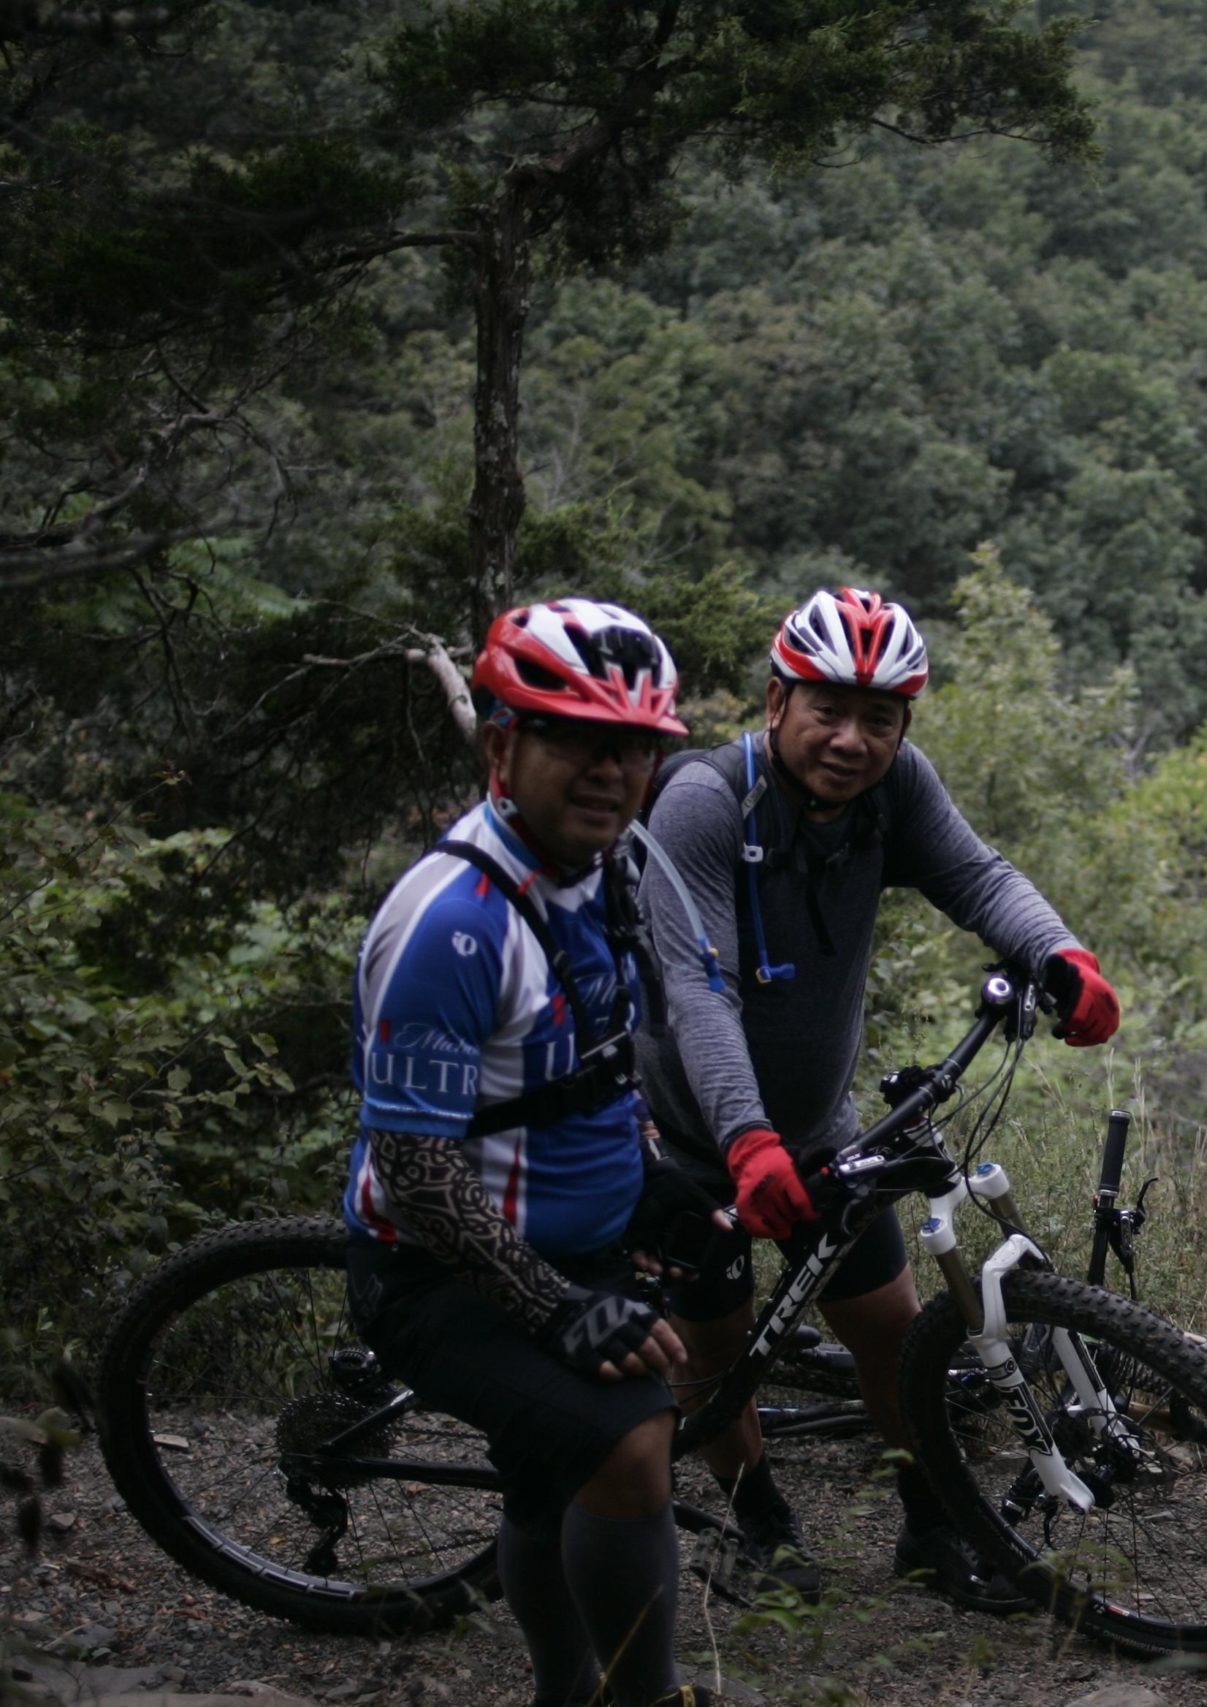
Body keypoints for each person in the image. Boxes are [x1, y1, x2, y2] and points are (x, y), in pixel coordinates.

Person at [637, 585, 1120, 1611]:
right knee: (718, 1356)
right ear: (778, 702)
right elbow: (698, 988)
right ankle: (758, 1518)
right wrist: (741, 1139)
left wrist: (1061, 954)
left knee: (892, 1335)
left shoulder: (897, 793)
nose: (853, 739)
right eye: (829, 709)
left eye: (881, 718)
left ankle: (931, 1527)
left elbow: (979, 879)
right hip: (689, 1141)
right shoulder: (705, 803)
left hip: (816, 1131)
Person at [341, 598, 718, 1707]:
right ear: (503, 744)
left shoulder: (603, 870)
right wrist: (555, 1306)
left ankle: (567, 1689)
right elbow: (414, 1168)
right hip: (440, 1273)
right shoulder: (454, 924)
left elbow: (593, 1060)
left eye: (636, 748)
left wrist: (652, 1183)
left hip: (570, 1247)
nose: (611, 772)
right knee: (629, 1445)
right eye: (578, 740)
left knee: (555, 1474)